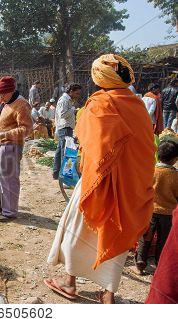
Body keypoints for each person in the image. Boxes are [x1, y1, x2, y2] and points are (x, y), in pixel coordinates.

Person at [45, 54, 155, 304]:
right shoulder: (138, 105)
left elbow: (90, 147)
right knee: (116, 232)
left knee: (76, 229)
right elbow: (146, 149)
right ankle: (108, 295)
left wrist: (88, 170)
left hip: (98, 181)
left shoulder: (100, 104)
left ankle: (70, 283)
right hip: (132, 185)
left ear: (99, 79)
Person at [0, 76, 32, 222]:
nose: (0, 97)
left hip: (11, 146)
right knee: (2, 178)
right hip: (1, 144)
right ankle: (3, 205)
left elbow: (26, 129)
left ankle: (9, 212)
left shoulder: (21, 104)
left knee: (10, 179)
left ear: (12, 91)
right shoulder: (7, 102)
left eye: (3, 94)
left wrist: (5, 134)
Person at [135, 140, 178, 274]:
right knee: (163, 240)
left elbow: (143, 190)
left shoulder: (151, 171)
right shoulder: (176, 175)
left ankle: (140, 263)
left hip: (150, 211)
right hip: (168, 214)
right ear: (175, 159)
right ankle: (160, 264)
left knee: (145, 236)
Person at [145, 206, 178, 304]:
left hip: (154, 209)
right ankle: (156, 261)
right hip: (166, 211)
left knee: (147, 238)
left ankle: (140, 260)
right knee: (162, 242)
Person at [52, 83, 82, 180]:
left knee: (59, 151)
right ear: (71, 91)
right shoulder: (64, 100)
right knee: (65, 152)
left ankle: (56, 174)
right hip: (64, 128)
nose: (78, 96)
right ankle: (64, 177)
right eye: (76, 93)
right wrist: (73, 109)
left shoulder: (68, 100)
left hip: (66, 128)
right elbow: (63, 114)